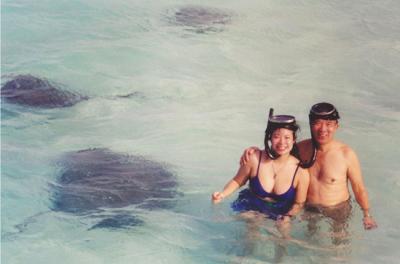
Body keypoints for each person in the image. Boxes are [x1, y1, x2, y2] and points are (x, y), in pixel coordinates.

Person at [240, 102, 378, 230]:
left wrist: (367, 215)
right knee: (309, 242)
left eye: (329, 123)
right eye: (317, 123)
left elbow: (359, 189)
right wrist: (255, 151)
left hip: (337, 209)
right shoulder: (300, 149)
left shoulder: (346, 155)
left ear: (336, 126)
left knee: (339, 245)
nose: (323, 129)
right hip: (308, 208)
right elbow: (278, 151)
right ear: (311, 124)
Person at [212, 111, 310, 223]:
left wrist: (288, 216)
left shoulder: (301, 171)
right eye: (276, 137)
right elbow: (237, 181)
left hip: (281, 211)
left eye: (287, 137)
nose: (282, 142)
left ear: (294, 139)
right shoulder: (254, 158)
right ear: (269, 138)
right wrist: (222, 194)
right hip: (251, 205)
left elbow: (299, 203)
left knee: (283, 233)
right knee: (251, 225)